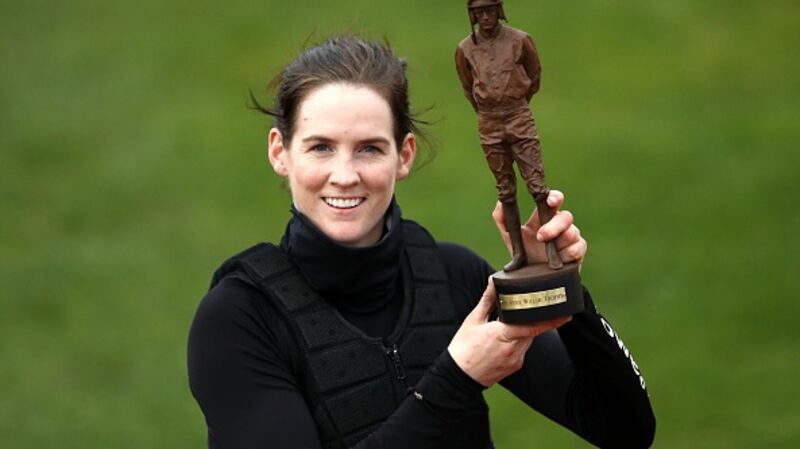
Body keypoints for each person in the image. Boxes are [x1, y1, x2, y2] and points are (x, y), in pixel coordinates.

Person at [187, 36, 655, 449]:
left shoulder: (454, 277)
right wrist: (457, 376)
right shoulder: (239, 318)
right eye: (321, 147)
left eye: (370, 148)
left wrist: (562, 288)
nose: (345, 175)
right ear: (279, 152)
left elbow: (624, 429)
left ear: (404, 156)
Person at [455, 0, 557, 271]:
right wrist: (487, 110)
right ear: (473, 16)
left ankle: (551, 248)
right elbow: (467, 86)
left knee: (537, 185)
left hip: (518, 115)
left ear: (499, 11)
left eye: (490, 11)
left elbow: (534, 75)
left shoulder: (519, 40)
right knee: (505, 190)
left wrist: (517, 102)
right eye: (480, 13)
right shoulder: (465, 49)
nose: (486, 18)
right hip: (489, 121)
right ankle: (519, 253)